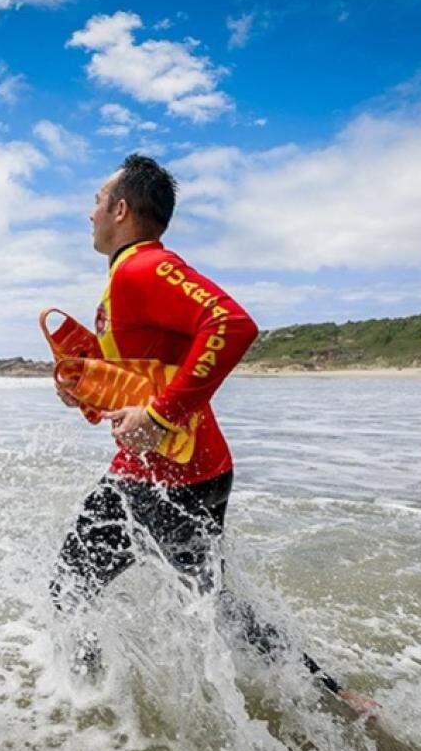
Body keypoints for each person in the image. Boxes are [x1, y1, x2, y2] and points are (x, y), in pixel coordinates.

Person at [49, 155, 377, 716]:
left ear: (121, 209)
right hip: (184, 471)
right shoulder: (124, 278)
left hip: (167, 476)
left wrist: (159, 417)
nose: (90, 212)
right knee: (213, 602)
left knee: (70, 585)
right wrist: (86, 389)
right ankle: (337, 698)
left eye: (98, 201)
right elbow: (146, 377)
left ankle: (81, 706)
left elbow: (232, 324)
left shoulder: (141, 269)